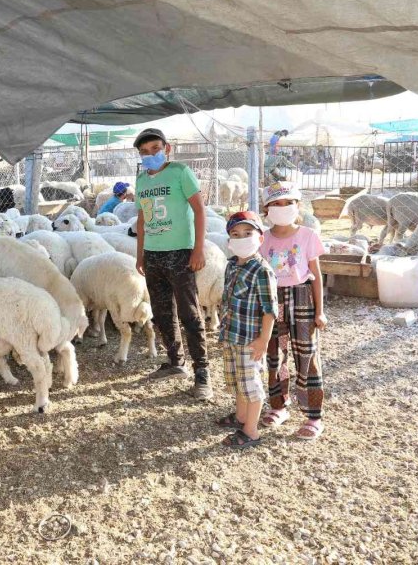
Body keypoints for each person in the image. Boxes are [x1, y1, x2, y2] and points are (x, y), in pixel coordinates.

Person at [133, 128, 212, 400]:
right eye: (144, 152)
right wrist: (140, 254)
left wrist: (198, 249)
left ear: (166, 149)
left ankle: (202, 373)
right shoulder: (142, 180)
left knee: (189, 313)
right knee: (161, 311)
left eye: (155, 149)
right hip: (153, 254)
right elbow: (142, 220)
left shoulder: (180, 172)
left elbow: (199, 209)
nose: (150, 155)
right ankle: (176, 361)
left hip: (180, 252)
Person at [258, 181, 327, 440]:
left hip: (302, 296)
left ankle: (313, 414)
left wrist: (320, 311)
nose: (283, 207)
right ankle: (278, 405)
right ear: (267, 209)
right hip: (273, 299)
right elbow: (260, 274)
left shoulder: (308, 235)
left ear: (298, 206)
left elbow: (317, 275)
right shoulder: (263, 239)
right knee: (275, 353)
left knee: (306, 354)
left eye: (288, 202)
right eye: (276, 203)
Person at [216, 211, 278, 448]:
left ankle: (251, 431)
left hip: (249, 340)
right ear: (229, 240)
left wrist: (263, 340)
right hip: (231, 336)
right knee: (238, 382)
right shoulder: (231, 265)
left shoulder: (262, 270)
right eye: (235, 234)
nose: (242, 238)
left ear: (260, 238)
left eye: (248, 233)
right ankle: (241, 418)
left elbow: (270, 310)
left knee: (251, 385)